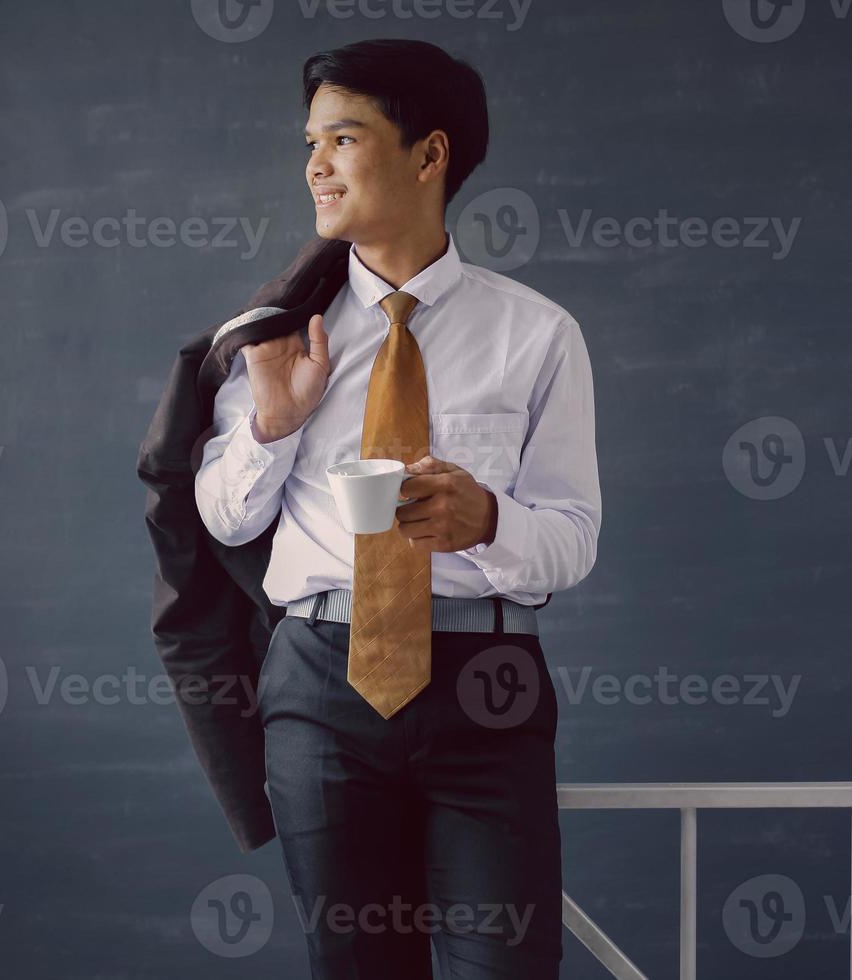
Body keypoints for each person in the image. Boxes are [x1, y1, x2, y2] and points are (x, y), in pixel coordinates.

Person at [193, 38, 601, 980]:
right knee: (355, 966)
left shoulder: (538, 335)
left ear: (430, 155)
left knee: (504, 967)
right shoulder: (274, 333)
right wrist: (272, 424)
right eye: (309, 143)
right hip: (320, 686)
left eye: (343, 137)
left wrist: (488, 521)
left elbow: (573, 538)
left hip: (484, 683)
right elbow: (223, 520)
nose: (315, 166)